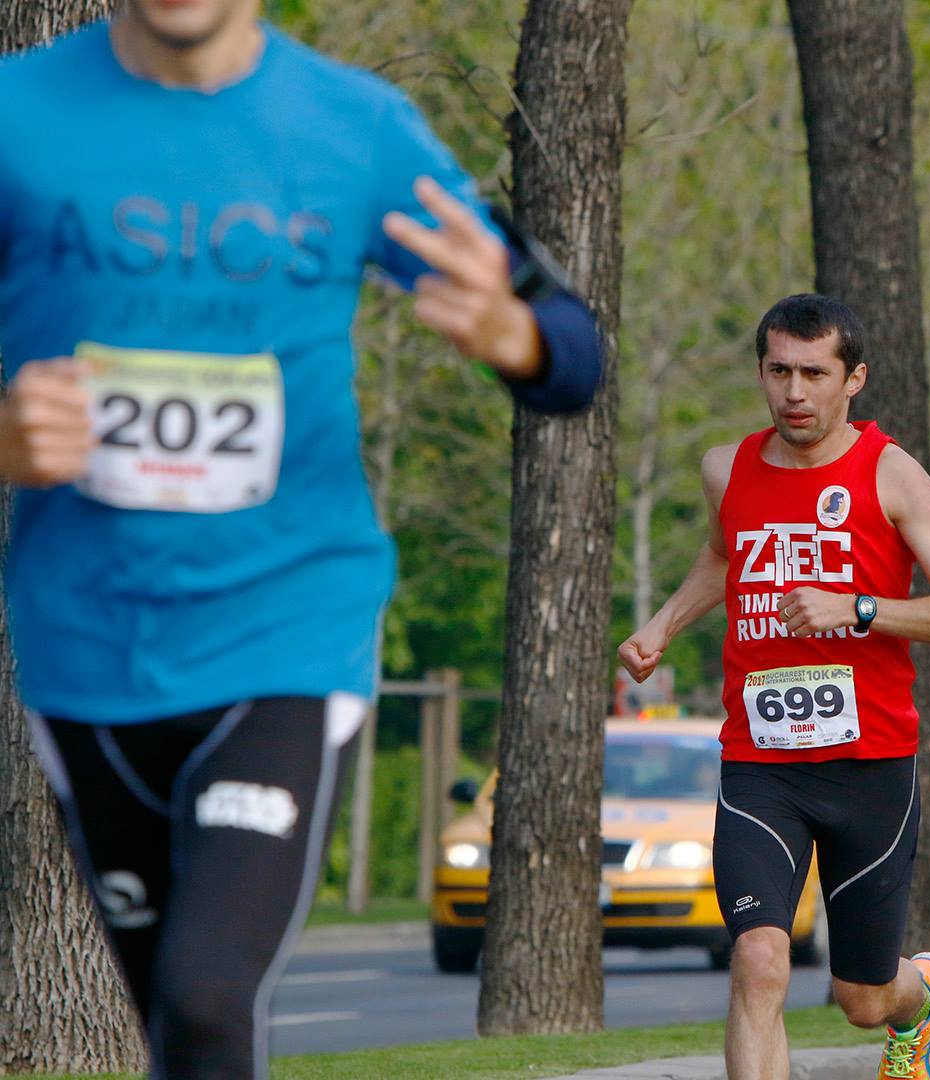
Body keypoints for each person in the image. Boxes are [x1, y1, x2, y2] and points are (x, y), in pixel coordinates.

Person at [0, 2, 600, 1076]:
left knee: (209, 995)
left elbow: (572, 345)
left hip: (287, 631)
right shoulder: (20, 117)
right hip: (84, 651)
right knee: (181, 1031)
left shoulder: (354, 131)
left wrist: (515, 336)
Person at [618, 294, 930, 1080]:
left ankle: (922, 998)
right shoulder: (729, 466)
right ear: (760, 370)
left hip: (870, 764)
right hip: (761, 763)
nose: (794, 392)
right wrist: (663, 624)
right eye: (779, 371)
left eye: (814, 373)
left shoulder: (890, 474)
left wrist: (856, 608)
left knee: (862, 997)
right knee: (759, 959)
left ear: (852, 379)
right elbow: (726, 556)